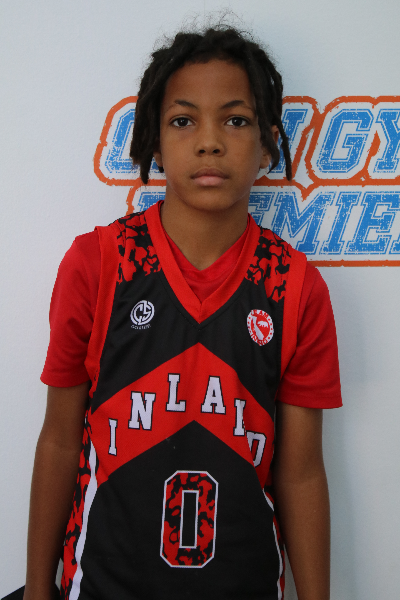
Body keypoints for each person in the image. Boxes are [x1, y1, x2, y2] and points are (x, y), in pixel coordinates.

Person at [24, 26, 342, 600]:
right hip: (103, 586)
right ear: (153, 140)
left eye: (235, 120)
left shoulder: (295, 287)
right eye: (183, 121)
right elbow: (60, 440)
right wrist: (37, 589)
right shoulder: (99, 264)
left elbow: (300, 473)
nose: (210, 142)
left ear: (268, 145)